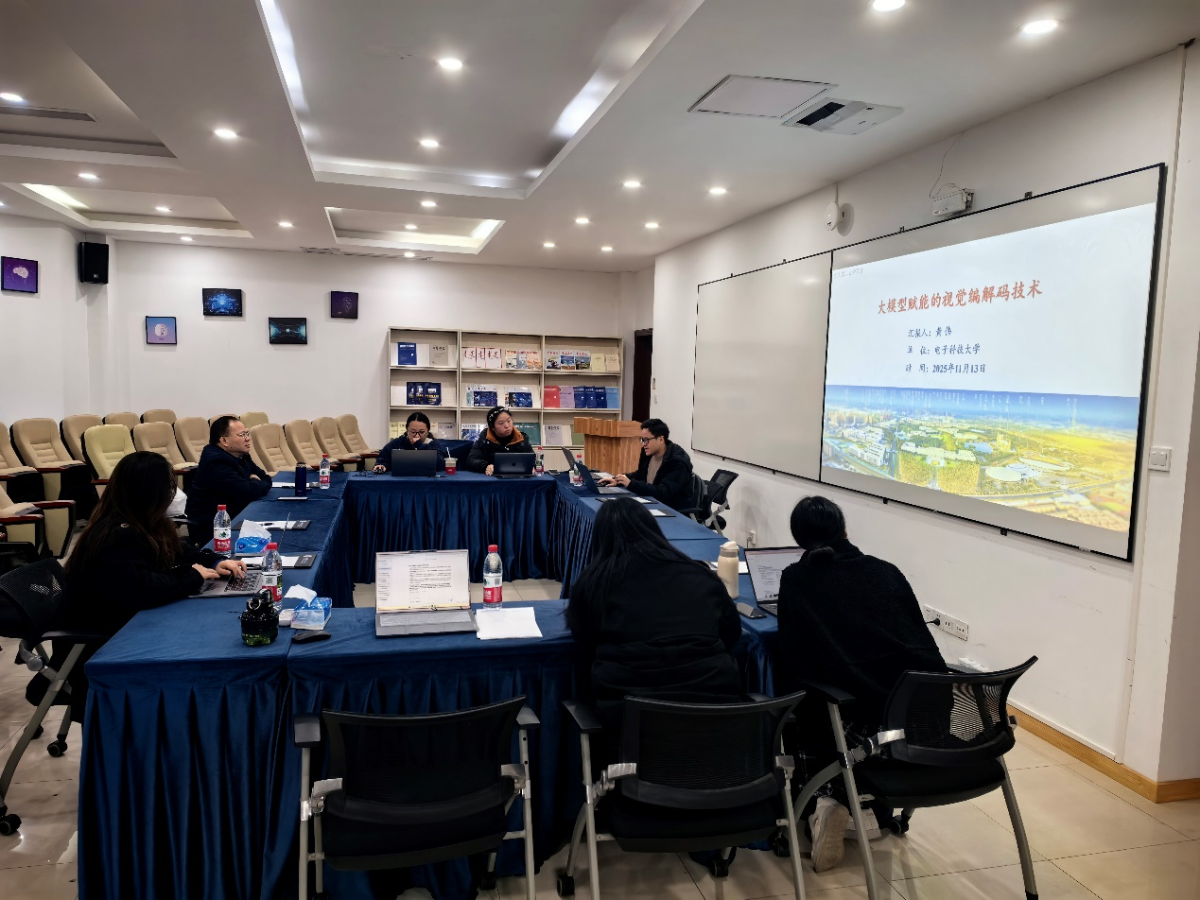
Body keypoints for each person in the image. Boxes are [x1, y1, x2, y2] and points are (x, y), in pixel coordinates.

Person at [774, 495, 945, 872]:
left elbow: (794, 660)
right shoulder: (887, 571)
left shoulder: (798, 578)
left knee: (806, 705)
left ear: (799, 540)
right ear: (845, 529)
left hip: (865, 729)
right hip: (928, 722)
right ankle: (859, 810)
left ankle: (825, 801)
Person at [35, 451, 246, 720]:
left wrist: (215, 561)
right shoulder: (115, 535)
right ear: (151, 492)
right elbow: (144, 589)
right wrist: (192, 577)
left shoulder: (143, 522)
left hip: (125, 623)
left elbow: (179, 551)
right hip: (103, 640)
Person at [566, 497, 743, 735]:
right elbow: (731, 632)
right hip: (717, 722)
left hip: (631, 725)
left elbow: (584, 636)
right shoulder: (701, 574)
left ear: (600, 539)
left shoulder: (594, 583)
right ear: (652, 529)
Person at [184, 416, 271, 547]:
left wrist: (254, 483)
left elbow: (266, 478)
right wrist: (255, 481)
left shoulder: (241, 455)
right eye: (242, 435)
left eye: (247, 433)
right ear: (224, 440)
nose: (247, 438)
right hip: (214, 530)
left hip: (236, 517)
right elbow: (248, 492)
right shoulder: (215, 461)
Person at [600, 418, 695, 511]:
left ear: (661, 439)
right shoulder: (648, 453)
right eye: (642, 440)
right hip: (650, 501)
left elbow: (662, 492)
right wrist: (619, 479)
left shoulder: (678, 462)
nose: (644, 444)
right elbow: (640, 474)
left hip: (671, 509)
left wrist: (631, 484)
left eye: (646, 440)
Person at [464, 406, 533, 475]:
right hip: (492, 478)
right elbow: (471, 461)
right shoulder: (484, 440)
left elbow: (533, 459)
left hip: (518, 478)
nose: (507, 426)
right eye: (501, 423)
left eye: (509, 421)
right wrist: (485, 466)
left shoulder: (521, 439)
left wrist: (532, 467)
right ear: (492, 427)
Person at [373, 411, 448, 472]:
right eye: (413, 432)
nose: (417, 435)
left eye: (421, 432)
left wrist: (420, 445)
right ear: (407, 431)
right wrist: (382, 466)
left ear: (427, 432)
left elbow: (440, 465)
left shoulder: (433, 443)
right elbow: (383, 460)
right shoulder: (398, 443)